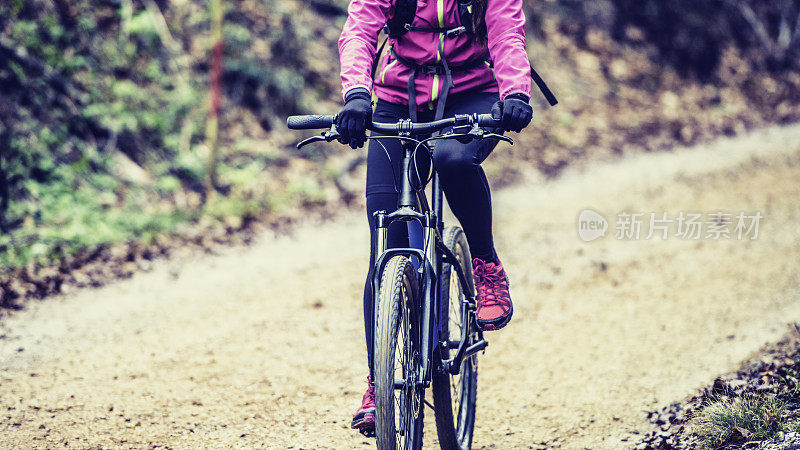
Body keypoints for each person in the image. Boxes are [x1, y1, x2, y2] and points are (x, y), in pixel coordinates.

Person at [337, 0, 535, 435]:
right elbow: (360, 29)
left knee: (453, 160)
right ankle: (380, 381)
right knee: (386, 244)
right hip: (397, 98)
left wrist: (515, 93)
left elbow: (506, 32)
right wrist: (356, 94)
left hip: (471, 94)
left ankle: (484, 263)